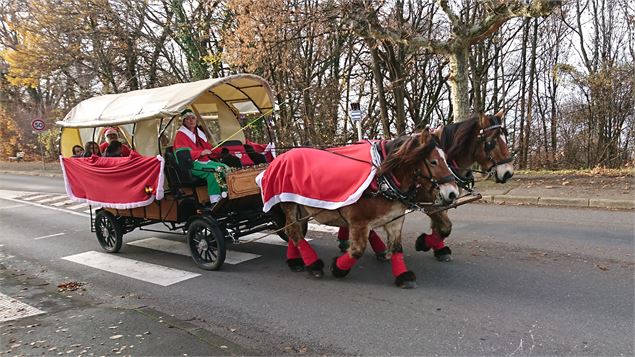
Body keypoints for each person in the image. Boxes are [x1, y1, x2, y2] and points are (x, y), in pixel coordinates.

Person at [173, 109, 229, 204]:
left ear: (196, 120)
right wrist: (200, 153)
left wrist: (221, 151)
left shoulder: (198, 133)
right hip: (191, 164)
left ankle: (225, 194)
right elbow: (182, 154)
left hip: (204, 161)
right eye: (188, 119)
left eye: (193, 118)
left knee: (225, 168)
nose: (191, 120)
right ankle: (215, 200)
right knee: (213, 172)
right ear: (184, 121)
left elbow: (209, 149)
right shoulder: (180, 135)